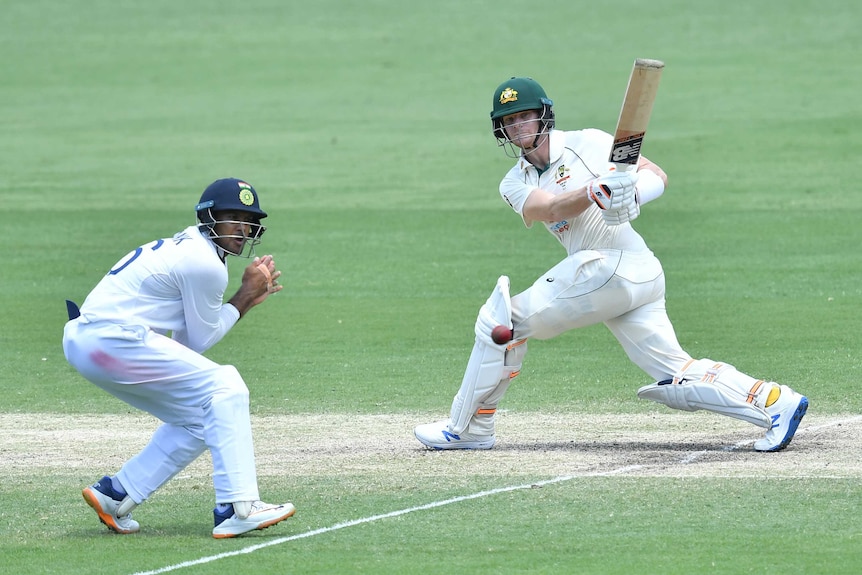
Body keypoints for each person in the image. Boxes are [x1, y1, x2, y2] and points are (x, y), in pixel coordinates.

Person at [414, 77, 808, 452]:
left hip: (620, 265)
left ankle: (468, 427)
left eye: (524, 116)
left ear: (543, 115)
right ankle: (776, 402)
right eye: (509, 121)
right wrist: (592, 192)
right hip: (612, 278)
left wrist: (632, 195)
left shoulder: (591, 142)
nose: (518, 127)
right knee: (676, 374)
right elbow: (549, 208)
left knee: (502, 321)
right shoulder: (513, 183)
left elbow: (657, 174)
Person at [62, 178, 295, 538]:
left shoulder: (193, 249)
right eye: (232, 216)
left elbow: (186, 346)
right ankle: (238, 506)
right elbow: (200, 341)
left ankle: (116, 494)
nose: (242, 228)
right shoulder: (205, 263)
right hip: (110, 338)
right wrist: (245, 296)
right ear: (208, 218)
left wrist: (244, 298)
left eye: (248, 221)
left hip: (89, 342)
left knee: (204, 417)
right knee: (226, 386)